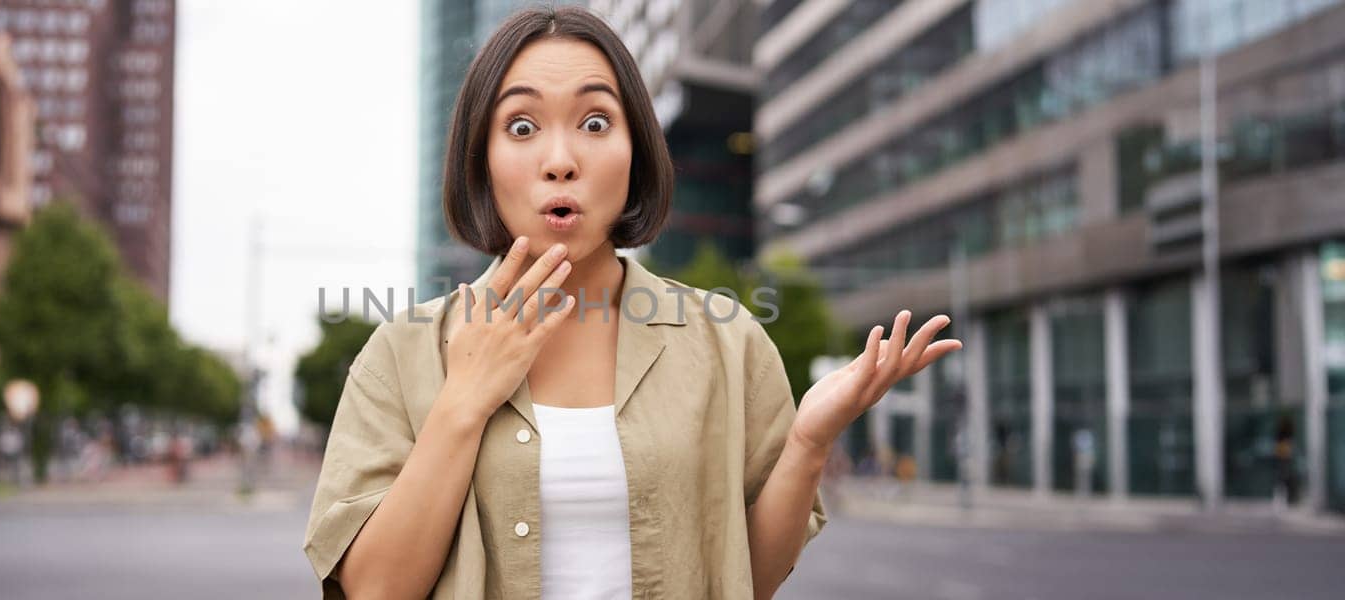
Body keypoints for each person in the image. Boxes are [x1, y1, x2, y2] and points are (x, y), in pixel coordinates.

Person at [302, 6, 962, 599]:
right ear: (481, 161)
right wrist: (464, 398)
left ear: (636, 152)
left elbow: (746, 580)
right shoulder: (401, 354)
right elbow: (376, 591)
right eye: (522, 125)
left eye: (594, 121)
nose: (560, 160)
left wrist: (809, 444)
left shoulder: (726, 342)